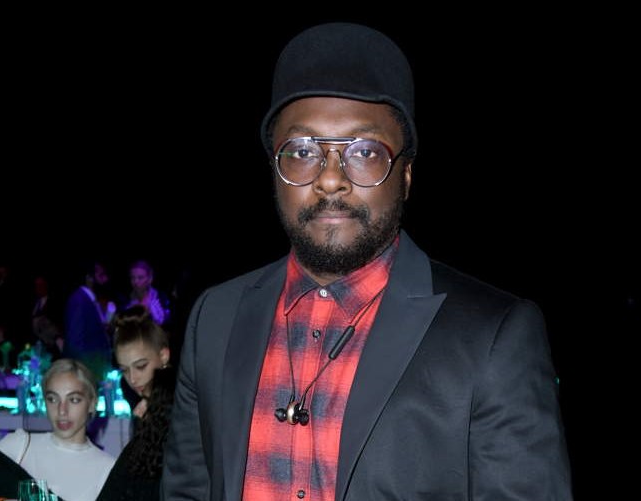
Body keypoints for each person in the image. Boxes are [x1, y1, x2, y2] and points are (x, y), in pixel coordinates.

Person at [161, 22, 573, 500]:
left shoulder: (494, 336)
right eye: (302, 150)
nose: (330, 179)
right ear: (274, 168)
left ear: (406, 176)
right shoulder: (215, 318)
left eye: (364, 152)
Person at [0, 358, 115, 501]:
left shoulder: (107, 469)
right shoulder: (20, 445)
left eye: (74, 399)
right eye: (53, 399)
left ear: (92, 403)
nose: (62, 410)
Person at [96, 305, 174, 501]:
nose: (133, 378)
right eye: (124, 370)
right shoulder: (139, 397)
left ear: (164, 355)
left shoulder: (180, 400)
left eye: (140, 366)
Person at [63, 261, 113, 382]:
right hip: (87, 371)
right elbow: (76, 340)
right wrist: (82, 375)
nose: (105, 279)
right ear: (89, 278)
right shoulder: (79, 300)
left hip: (95, 369)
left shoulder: (90, 300)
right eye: (101, 275)